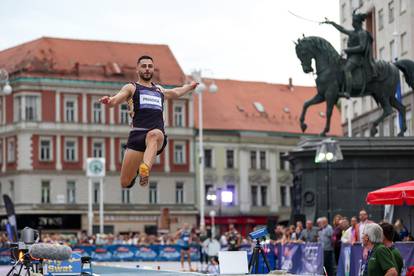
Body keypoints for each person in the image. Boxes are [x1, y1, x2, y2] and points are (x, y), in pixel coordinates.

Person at [100, 55, 198, 188]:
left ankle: (144, 169)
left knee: (154, 135)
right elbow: (116, 99)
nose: (147, 69)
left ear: (153, 70)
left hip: (156, 135)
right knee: (125, 182)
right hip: (137, 136)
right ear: (137, 69)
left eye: (150, 66)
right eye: (144, 66)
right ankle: (136, 175)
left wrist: (189, 86)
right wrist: (109, 101)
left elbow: (175, 92)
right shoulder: (131, 88)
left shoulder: (159, 90)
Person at [323, 10, 377, 97]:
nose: (352, 23)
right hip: (351, 57)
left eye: (354, 22)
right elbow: (342, 29)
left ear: (358, 22)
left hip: (358, 58)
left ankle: (348, 91)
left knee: (346, 69)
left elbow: (362, 47)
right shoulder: (353, 32)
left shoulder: (362, 33)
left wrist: (348, 50)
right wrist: (332, 23)